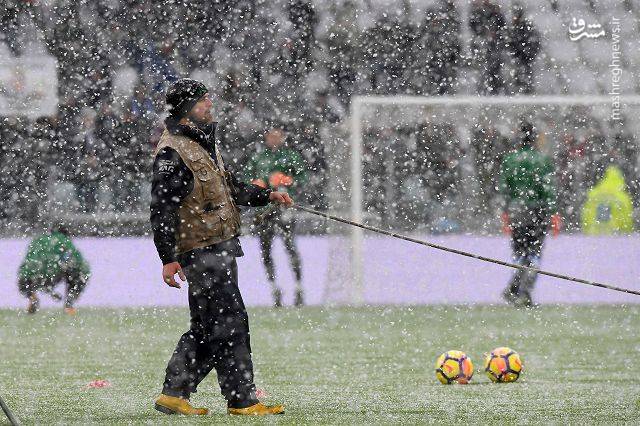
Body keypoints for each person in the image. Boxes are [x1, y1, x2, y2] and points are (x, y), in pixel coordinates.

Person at [150, 78, 292, 416]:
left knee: (209, 325)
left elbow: (229, 189)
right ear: (186, 110)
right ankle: (241, 400)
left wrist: (266, 195)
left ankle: (175, 393)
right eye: (202, 101)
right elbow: (162, 207)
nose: (209, 104)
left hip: (218, 246)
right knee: (230, 321)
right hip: (201, 249)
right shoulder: (173, 151)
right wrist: (168, 258)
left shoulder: (203, 144)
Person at [245, 122, 308, 307]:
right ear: (266, 137)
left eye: (277, 135)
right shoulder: (257, 158)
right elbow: (245, 180)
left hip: (284, 208)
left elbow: (303, 178)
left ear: (282, 137)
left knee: (290, 246)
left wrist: (288, 180)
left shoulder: (291, 156)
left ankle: (298, 288)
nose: (274, 138)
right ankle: (274, 289)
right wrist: (256, 184)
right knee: (265, 249)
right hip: (264, 210)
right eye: (271, 135)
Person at [499, 121, 560, 307]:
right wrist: (553, 213)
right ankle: (523, 291)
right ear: (534, 139)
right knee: (534, 253)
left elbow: (504, 189)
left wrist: (505, 212)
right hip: (537, 210)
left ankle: (514, 288)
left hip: (517, 210)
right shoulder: (542, 161)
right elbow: (548, 190)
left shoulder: (509, 161)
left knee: (519, 252)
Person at [17, 226, 90, 315]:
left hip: (30, 276)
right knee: (80, 274)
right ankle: (69, 305)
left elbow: (28, 261)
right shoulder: (64, 241)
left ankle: (32, 297)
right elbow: (77, 262)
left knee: (25, 276)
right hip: (53, 272)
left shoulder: (38, 240)